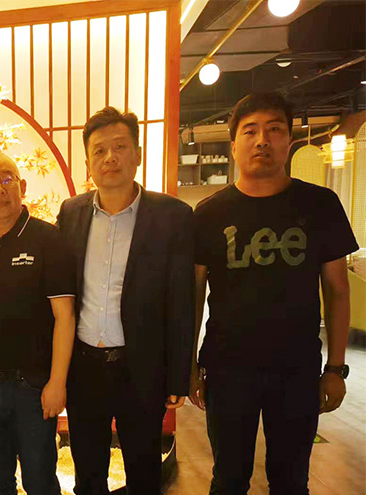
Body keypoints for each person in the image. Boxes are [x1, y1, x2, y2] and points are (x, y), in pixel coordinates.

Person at [190, 92, 358, 495]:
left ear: (289, 141)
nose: (262, 140)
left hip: (297, 369)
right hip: (228, 369)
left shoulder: (320, 204)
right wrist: (189, 365)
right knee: (228, 479)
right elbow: (192, 296)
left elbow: (337, 290)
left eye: (274, 129)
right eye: (250, 131)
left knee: (292, 481)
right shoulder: (209, 213)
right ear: (234, 145)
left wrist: (335, 368)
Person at [56, 107, 195, 495]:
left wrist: (179, 374)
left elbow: (182, 301)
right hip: (84, 367)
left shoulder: (173, 216)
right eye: (99, 151)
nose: (110, 157)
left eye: (120, 147)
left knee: (143, 471)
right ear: (88, 163)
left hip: (141, 366)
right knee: (88, 473)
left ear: (138, 154)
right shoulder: (71, 213)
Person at [0, 151, 76, 495]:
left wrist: (57, 382)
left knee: (39, 481)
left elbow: (65, 316)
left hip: (33, 386)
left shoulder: (48, 239)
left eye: (7, 179)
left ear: (22, 187)